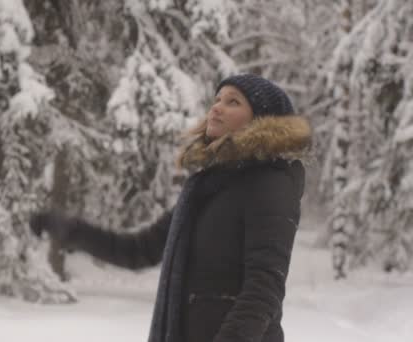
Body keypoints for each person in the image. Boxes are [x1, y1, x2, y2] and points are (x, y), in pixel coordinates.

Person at [29, 74, 312, 342]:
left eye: (233, 102)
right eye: (217, 100)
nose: (217, 108)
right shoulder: (205, 188)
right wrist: (72, 231)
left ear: (261, 121)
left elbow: (264, 289)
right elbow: (139, 250)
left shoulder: (270, 183)